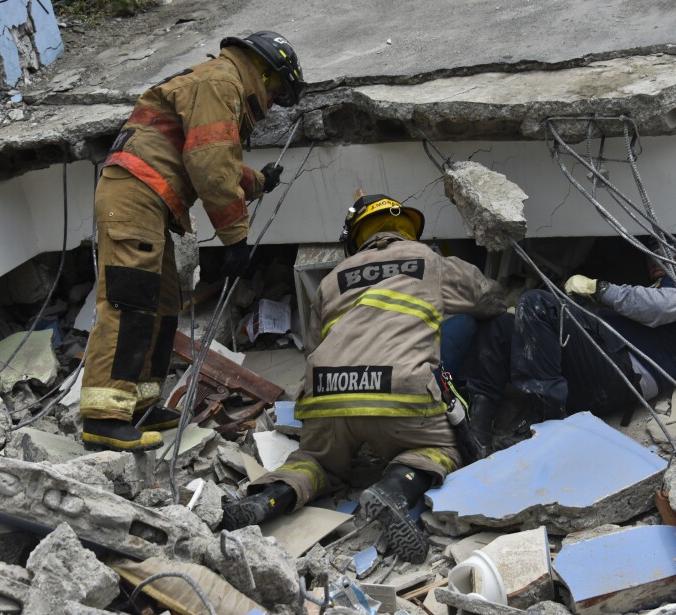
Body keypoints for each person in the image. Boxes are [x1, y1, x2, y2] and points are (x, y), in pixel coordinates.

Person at [222, 193, 506, 563]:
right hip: (400, 395)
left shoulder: (332, 280)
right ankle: (395, 490)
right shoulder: (429, 262)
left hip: (328, 398)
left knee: (315, 461)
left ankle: (270, 496)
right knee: (440, 450)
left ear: (356, 237)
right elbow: (488, 300)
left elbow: (312, 349)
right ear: (406, 228)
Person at [80, 32, 306, 452]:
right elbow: (208, 165)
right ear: (263, 72)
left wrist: (259, 181)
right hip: (135, 194)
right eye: (276, 92)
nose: (272, 103)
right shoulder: (222, 83)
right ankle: (103, 417)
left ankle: (142, 404)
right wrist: (235, 239)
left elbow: (208, 154)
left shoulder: (220, 83)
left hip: (149, 198)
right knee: (129, 301)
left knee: (163, 302)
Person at [462, 240, 676, 458]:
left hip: (627, 374)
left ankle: (543, 425)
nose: (653, 260)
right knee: (500, 324)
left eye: (661, 252)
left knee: (536, 303)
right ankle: (478, 431)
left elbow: (662, 307)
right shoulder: (656, 287)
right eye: (650, 254)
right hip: (601, 369)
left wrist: (600, 288)